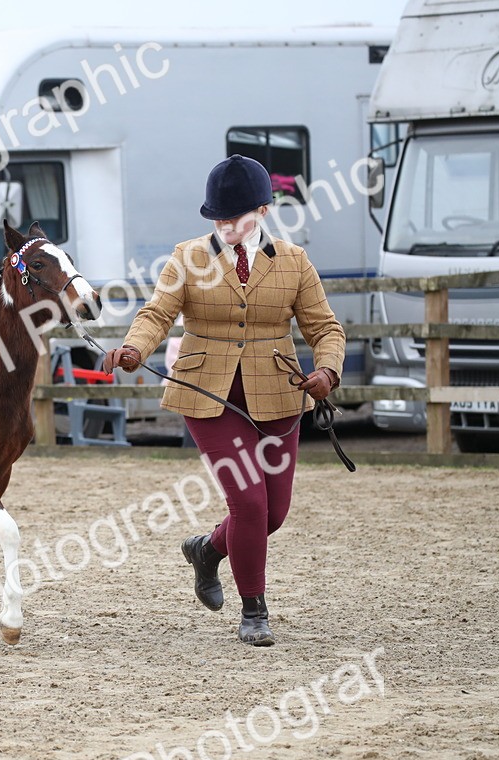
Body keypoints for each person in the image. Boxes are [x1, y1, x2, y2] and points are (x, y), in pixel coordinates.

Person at [101, 154, 346, 646]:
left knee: (274, 513)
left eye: (235, 218)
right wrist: (134, 348)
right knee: (249, 503)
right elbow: (157, 313)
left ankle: (208, 550)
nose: (226, 226)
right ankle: (254, 609)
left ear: (264, 210)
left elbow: (324, 327)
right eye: (219, 218)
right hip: (206, 392)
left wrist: (327, 370)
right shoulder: (188, 258)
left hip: (278, 393)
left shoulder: (294, 262)